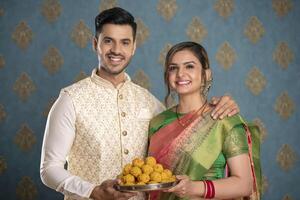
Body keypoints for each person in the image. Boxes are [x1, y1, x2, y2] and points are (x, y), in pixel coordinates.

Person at [40, 7, 240, 200]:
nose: (117, 50)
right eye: (108, 41)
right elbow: (49, 169)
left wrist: (220, 106)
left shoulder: (150, 103)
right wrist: (93, 191)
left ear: (134, 47)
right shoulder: (71, 99)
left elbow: (186, 130)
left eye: (125, 42)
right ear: (95, 44)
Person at [148, 42, 262, 200]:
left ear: (206, 75)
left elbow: (244, 184)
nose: (180, 73)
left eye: (189, 66)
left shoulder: (223, 118)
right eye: (173, 68)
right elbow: (150, 177)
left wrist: (193, 188)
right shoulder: (157, 122)